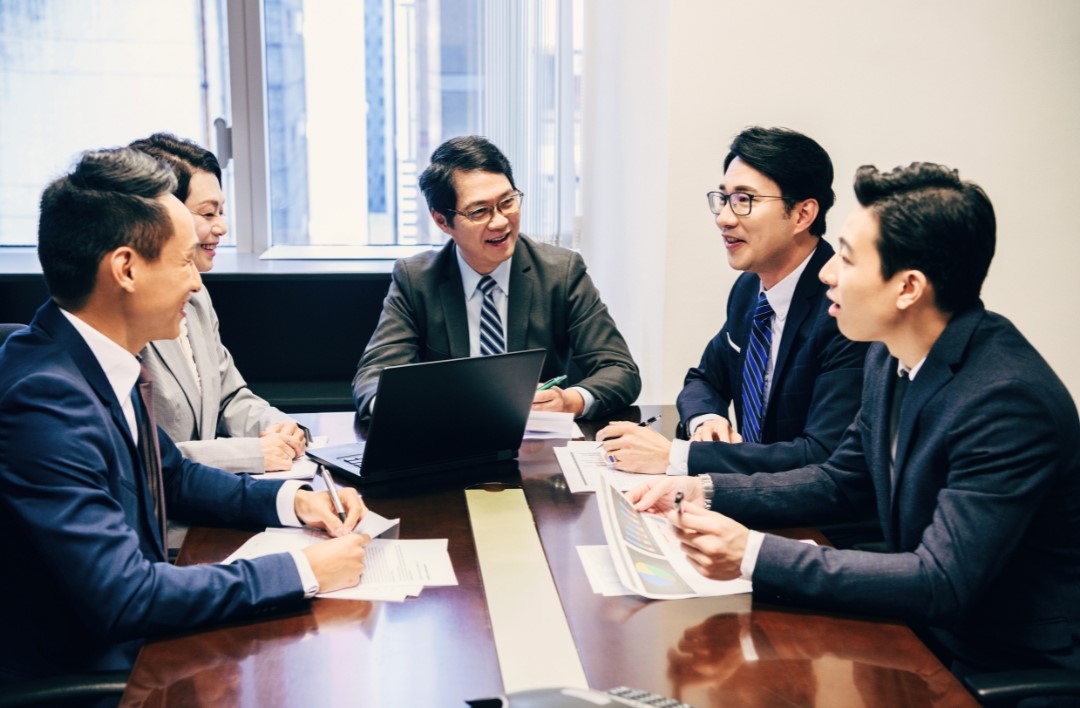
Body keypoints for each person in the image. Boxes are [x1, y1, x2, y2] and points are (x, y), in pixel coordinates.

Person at [629, 162, 1080, 679]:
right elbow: (838, 481)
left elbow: (941, 581)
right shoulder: (889, 353)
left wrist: (751, 553)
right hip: (916, 634)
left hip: (997, 664)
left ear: (907, 288)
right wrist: (700, 490)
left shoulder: (1006, 399)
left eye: (845, 257)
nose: (825, 272)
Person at [0, 147, 369, 685]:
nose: (196, 282)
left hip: (138, 637)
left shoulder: (96, 359)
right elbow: (125, 597)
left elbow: (171, 475)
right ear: (125, 268)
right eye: (182, 261)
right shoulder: (45, 401)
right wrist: (303, 570)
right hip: (94, 664)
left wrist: (294, 502)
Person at [352, 135, 641, 419]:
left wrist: (570, 401)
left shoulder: (561, 272)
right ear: (442, 220)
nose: (501, 222)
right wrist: (407, 412)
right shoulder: (416, 280)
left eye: (507, 202)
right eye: (479, 211)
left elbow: (620, 370)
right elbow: (372, 378)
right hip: (448, 445)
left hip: (536, 447)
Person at [130, 133, 306, 474]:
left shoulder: (196, 294)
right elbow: (139, 458)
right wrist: (251, 452)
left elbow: (228, 396)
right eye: (208, 213)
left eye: (221, 212)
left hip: (206, 496)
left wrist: (280, 428)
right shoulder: (123, 315)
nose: (221, 227)